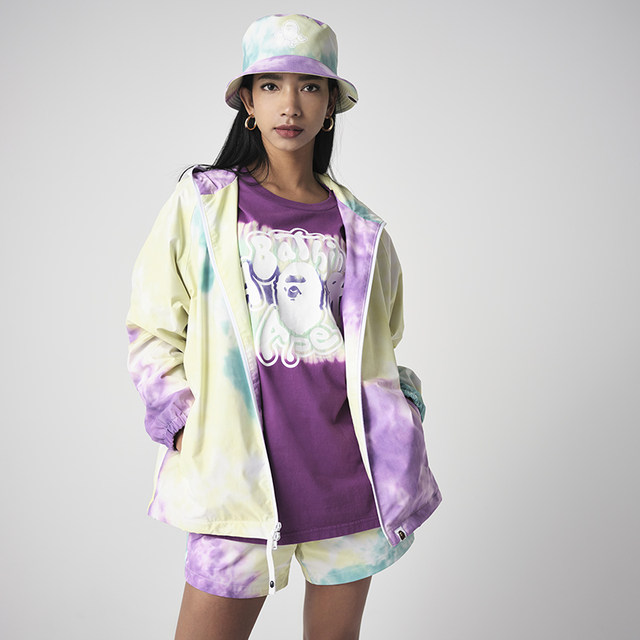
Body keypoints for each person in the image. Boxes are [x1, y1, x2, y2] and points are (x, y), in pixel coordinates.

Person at [127, 13, 441, 640]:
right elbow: (152, 325)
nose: (290, 105)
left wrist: (401, 414)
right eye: (271, 86)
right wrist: (185, 422)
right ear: (248, 101)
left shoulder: (363, 229)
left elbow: (384, 339)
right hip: (238, 478)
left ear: (330, 106)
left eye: (309, 86)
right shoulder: (203, 204)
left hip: (348, 477)